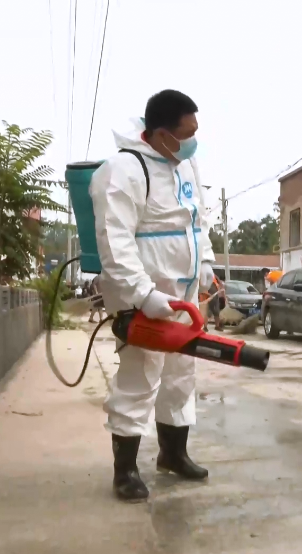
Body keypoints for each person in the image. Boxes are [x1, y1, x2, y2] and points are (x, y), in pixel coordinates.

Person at [88, 89, 216, 502]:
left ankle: (173, 454)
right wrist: (143, 294)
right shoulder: (122, 170)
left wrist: (206, 260)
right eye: (187, 133)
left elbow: (198, 219)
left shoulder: (185, 165)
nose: (193, 141)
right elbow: (115, 243)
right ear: (161, 133)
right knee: (140, 377)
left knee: (181, 376)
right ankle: (125, 470)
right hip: (144, 297)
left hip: (184, 297)